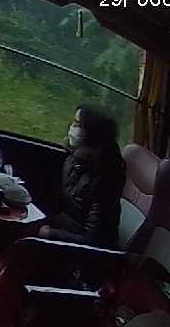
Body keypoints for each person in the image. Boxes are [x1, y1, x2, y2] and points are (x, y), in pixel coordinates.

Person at [40, 105, 126, 247]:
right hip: (65, 227)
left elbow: (94, 240)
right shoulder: (75, 159)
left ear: (92, 133)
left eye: (78, 124)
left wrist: (51, 234)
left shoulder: (105, 179)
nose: (72, 128)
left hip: (84, 252)